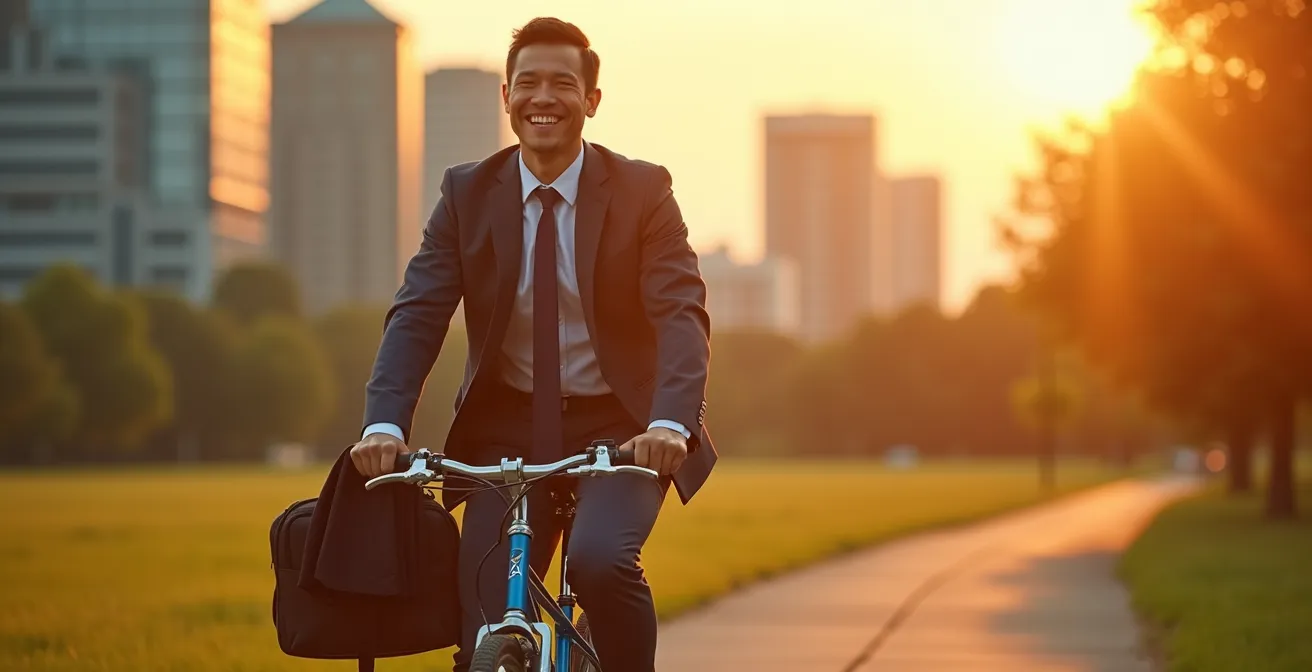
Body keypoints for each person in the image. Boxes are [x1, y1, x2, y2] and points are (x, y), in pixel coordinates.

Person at [349, 16, 717, 672]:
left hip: (623, 427)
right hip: (508, 428)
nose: (542, 97)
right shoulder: (465, 194)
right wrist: (383, 424)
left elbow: (680, 313)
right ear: (507, 96)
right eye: (528, 83)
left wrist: (669, 423)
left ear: (591, 100)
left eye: (562, 83)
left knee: (600, 561)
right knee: (484, 615)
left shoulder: (643, 191)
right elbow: (417, 314)